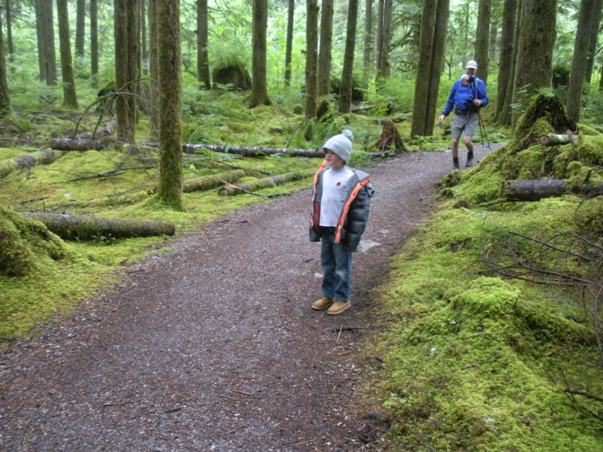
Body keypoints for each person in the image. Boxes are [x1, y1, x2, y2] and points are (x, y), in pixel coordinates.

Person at [309, 130, 374, 315]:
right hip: (325, 228)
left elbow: (359, 212)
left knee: (342, 266)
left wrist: (354, 235)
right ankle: (327, 294)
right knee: (327, 263)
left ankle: (342, 297)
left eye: (333, 153)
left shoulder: (351, 179)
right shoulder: (323, 175)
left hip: (341, 231)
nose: (328, 156)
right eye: (326, 152)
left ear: (343, 156)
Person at [438, 59, 489, 169]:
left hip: (472, 115)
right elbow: (451, 100)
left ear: (475, 70)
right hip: (458, 115)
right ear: (466, 69)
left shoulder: (478, 83)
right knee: (454, 141)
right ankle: (456, 165)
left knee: (467, 141)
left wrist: (480, 102)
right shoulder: (457, 83)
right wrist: (444, 114)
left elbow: (485, 99)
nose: (470, 71)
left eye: (473, 69)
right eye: (469, 68)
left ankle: (470, 153)